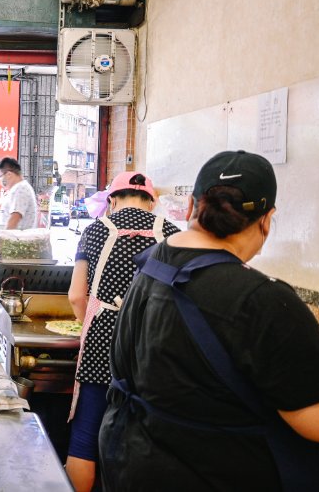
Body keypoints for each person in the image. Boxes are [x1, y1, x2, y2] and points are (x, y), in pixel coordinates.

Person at [99, 151, 319, 491]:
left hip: (135, 466)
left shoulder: (151, 267)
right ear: (267, 220)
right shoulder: (262, 300)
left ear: (192, 208)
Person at [64, 171, 180, 492]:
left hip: (103, 344)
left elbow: (76, 295)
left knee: (86, 439)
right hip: (152, 348)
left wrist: (88, 322)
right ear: (151, 202)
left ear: (112, 200)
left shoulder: (96, 230)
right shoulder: (171, 233)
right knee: (143, 442)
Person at [0, 157, 38, 234]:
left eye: (0, 176)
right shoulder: (18, 188)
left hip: (15, 243)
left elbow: (15, 217)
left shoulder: (21, 189)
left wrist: (3, 241)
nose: (0, 181)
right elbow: (5, 216)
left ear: (9, 174)